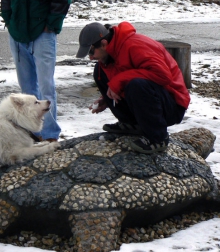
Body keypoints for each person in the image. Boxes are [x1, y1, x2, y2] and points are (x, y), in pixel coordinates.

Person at [76, 22, 190, 154]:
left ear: (104, 44)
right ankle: (131, 124)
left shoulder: (134, 45)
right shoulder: (110, 54)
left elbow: (163, 76)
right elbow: (124, 73)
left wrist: (119, 81)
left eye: (91, 51)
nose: (90, 58)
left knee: (136, 85)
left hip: (172, 105)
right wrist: (107, 99)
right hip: (152, 99)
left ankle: (158, 138)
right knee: (99, 71)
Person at [0, 0, 71, 142]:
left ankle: (49, 134)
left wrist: (52, 24)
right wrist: (8, 19)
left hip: (43, 34)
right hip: (17, 34)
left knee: (46, 87)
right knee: (26, 89)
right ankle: (32, 131)